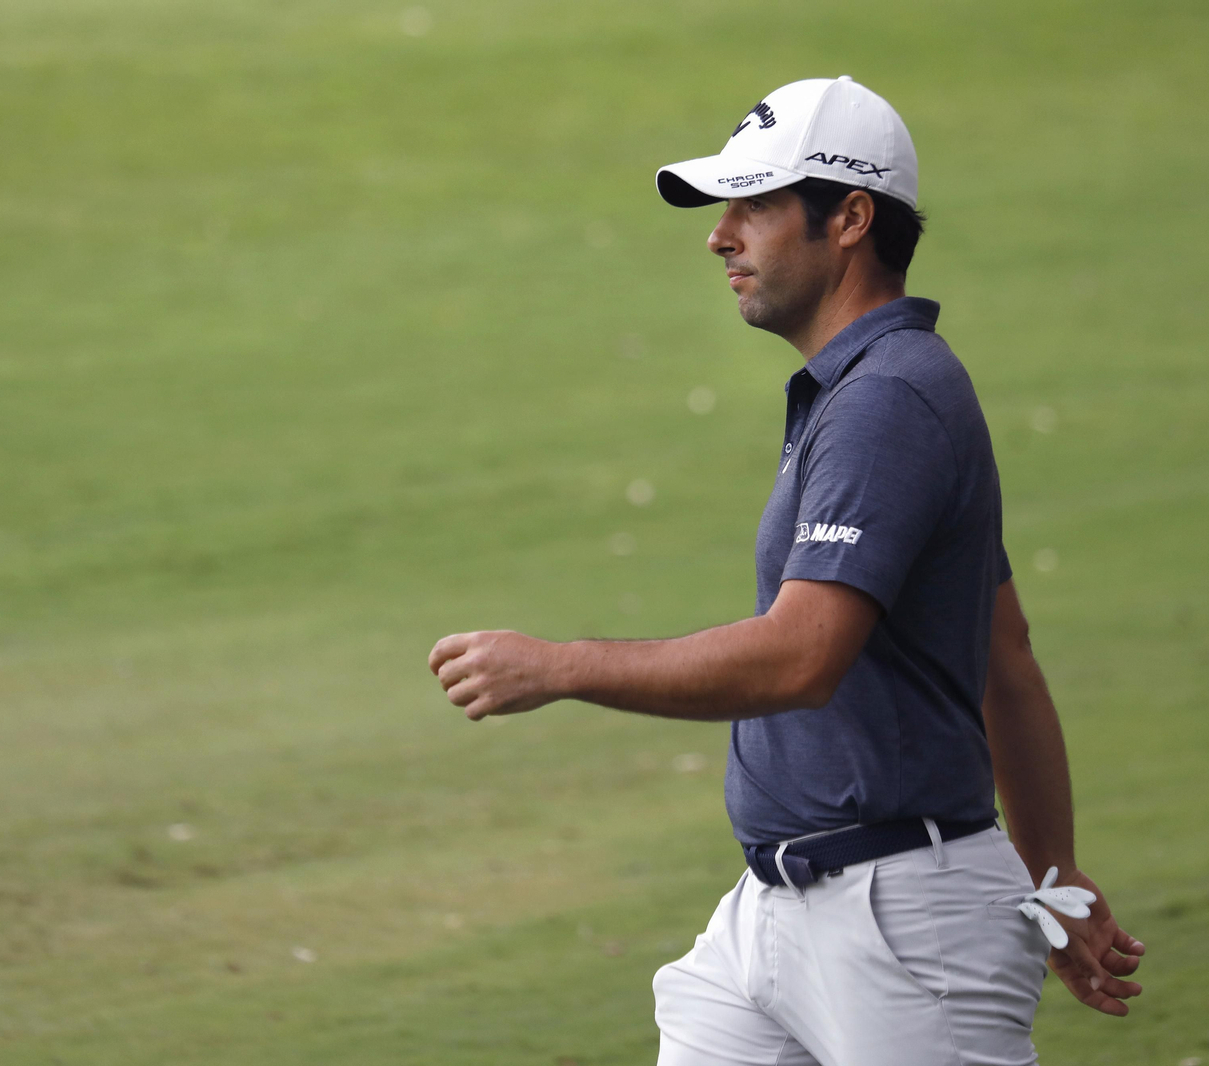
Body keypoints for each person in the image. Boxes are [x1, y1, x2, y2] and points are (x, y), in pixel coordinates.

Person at [428, 76, 1144, 1065]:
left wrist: (557, 667)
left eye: (754, 207)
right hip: (776, 914)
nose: (720, 237)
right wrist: (1054, 868)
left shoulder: (889, 401)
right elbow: (1003, 650)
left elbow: (800, 659)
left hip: (904, 929)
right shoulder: (862, 391)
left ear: (849, 219)